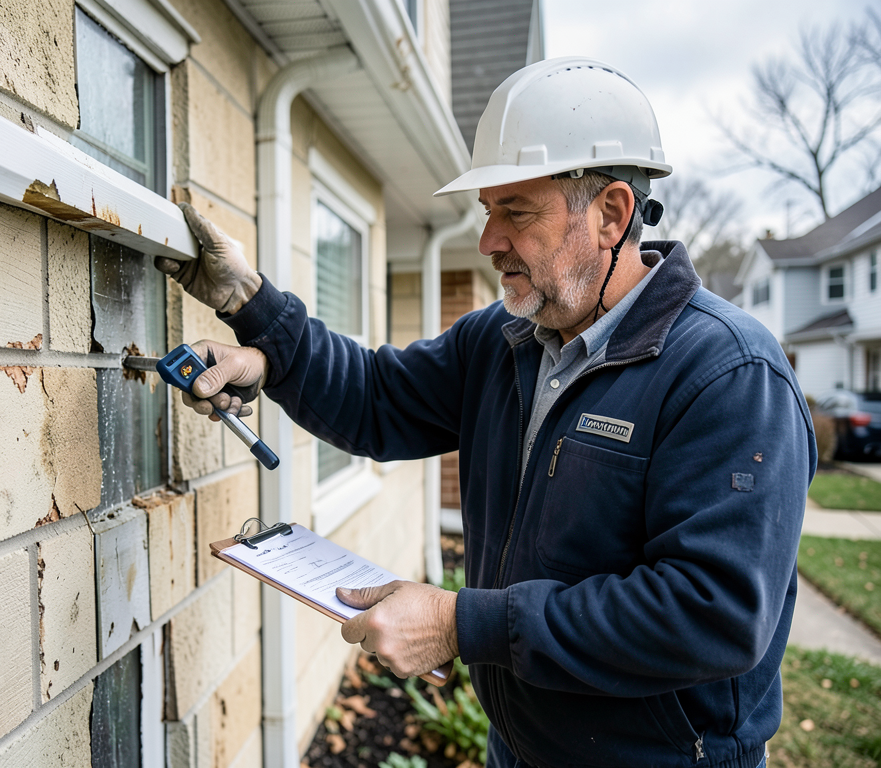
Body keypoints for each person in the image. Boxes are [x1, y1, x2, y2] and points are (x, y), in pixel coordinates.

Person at [156, 57, 815, 768]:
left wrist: (461, 622)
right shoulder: (504, 344)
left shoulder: (726, 373)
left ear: (612, 214)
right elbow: (375, 398)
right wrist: (255, 313)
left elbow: (709, 613)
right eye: (488, 211)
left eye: (517, 211)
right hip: (520, 749)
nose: (488, 240)